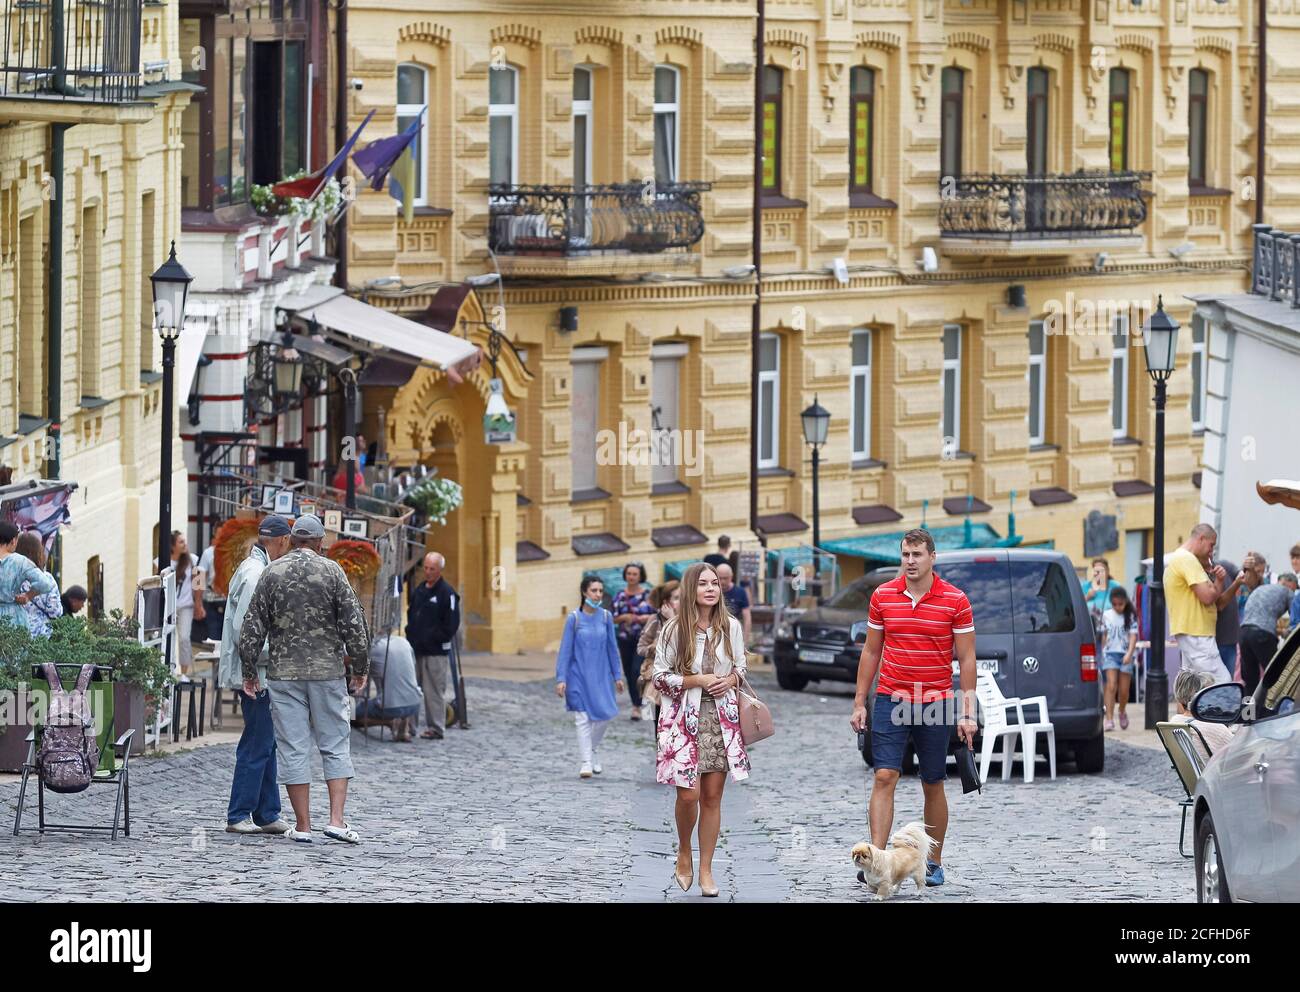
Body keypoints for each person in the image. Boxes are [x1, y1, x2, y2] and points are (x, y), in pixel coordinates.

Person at [849, 528, 977, 889]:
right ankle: (876, 861)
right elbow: (872, 651)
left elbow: (967, 659)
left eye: (917, 554)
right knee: (884, 776)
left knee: (932, 781)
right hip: (891, 698)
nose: (910, 561)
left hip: (935, 702)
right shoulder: (883, 596)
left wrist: (967, 712)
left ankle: (932, 862)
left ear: (932, 557)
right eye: (905, 554)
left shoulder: (955, 600)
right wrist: (860, 701)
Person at [238, 514, 370, 844]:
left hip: (284, 674)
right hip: (327, 672)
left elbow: (251, 631)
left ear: (293, 540)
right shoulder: (333, 572)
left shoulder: (272, 573)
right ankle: (337, 821)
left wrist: (250, 673)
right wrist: (360, 668)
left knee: (293, 748)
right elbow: (355, 626)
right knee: (335, 744)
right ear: (320, 542)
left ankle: (303, 826)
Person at [652, 563, 750, 898]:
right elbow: (659, 677)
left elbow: (741, 666)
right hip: (682, 719)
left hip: (721, 720)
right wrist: (697, 680)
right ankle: (683, 850)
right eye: (703, 584)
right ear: (691, 588)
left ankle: (706, 868)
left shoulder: (730, 626)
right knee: (688, 795)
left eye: (715, 584)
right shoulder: (673, 630)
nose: (711, 589)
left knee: (711, 797)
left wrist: (731, 679)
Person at [217, 515, 292, 836]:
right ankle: (239, 812)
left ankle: (266, 811)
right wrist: (279, 649)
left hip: (259, 673)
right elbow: (245, 634)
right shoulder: (255, 575)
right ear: (281, 541)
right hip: (255, 676)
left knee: (267, 742)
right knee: (258, 743)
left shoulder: (258, 570)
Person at [556, 575, 625, 779]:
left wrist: (617, 675)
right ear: (584, 592)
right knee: (582, 718)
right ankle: (586, 761)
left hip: (601, 676)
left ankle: (592, 750)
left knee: (604, 716)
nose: (598, 594)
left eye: (600, 591)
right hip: (578, 676)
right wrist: (561, 679)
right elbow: (565, 651)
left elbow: (613, 648)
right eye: (594, 590)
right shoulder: (574, 619)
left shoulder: (605, 617)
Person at [1163, 524, 1244, 685]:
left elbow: (1214, 599)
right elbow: (1208, 597)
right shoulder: (1187, 559)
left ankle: (1193, 711)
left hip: (1192, 630)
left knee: (1192, 687)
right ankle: (1217, 711)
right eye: (1211, 544)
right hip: (1196, 632)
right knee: (1222, 682)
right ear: (1201, 539)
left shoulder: (1181, 559)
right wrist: (1220, 582)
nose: (1211, 551)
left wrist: (1219, 581)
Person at [407, 551, 461, 740]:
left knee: (434, 691)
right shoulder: (421, 589)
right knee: (412, 688)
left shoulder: (447, 593)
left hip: (436, 652)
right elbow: (412, 614)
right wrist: (410, 634)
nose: (428, 572)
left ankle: (436, 727)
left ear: (439, 570)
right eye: (426, 568)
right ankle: (410, 726)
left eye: (432, 569)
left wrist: (433, 638)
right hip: (417, 649)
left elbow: (451, 625)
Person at [355, 631, 424, 742]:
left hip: (390, 707)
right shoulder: (404, 642)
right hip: (414, 704)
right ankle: (403, 730)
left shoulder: (373, 649)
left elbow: (358, 678)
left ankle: (389, 723)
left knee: (351, 715)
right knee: (401, 687)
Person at [1240, 555, 1293, 695]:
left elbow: (1259, 615)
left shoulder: (1262, 589)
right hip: (1262, 634)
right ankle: (1274, 712)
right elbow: (1295, 621)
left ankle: (1248, 713)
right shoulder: (1288, 592)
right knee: (1276, 677)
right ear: (1290, 584)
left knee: (1250, 681)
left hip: (1244, 633)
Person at [611, 562, 655, 721]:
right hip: (625, 639)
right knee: (629, 673)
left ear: (640, 576)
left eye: (634, 574)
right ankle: (636, 705)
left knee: (638, 670)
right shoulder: (619, 596)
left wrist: (645, 618)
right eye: (629, 573)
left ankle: (644, 701)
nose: (631, 577)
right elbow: (613, 618)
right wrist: (624, 618)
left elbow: (657, 616)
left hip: (643, 640)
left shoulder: (648, 595)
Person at [637, 580, 680, 726]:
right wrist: (653, 648)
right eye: (676, 598)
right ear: (665, 602)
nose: (681, 602)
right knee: (660, 727)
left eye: (683, 597)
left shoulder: (689, 620)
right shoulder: (655, 620)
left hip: (682, 681)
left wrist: (672, 620)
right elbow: (640, 648)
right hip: (659, 683)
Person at [0, 521, 56, 633]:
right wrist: (28, 595)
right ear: (13, 540)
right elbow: (45, 583)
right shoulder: (20, 562)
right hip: (12, 617)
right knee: (14, 649)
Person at [1173, 669, 1235, 765]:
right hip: (1218, 777)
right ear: (1200, 697)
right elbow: (1240, 752)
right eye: (1211, 694)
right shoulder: (1215, 728)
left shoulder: (1174, 722)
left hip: (1194, 777)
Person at [163, 531, 202, 678]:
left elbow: (199, 583)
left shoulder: (193, 560)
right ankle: (168, 671)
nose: (185, 544)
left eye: (184, 541)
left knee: (184, 638)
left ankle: (184, 673)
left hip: (186, 606)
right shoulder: (161, 561)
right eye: (180, 542)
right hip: (168, 607)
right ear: (172, 546)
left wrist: (199, 604)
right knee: (168, 638)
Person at [1100, 586, 1139, 731]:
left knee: (1124, 690)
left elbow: (1133, 636)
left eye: (1120, 604)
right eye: (1115, 604)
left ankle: (1122, 711)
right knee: (1111, 686)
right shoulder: (1106, 615)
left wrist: (1129, 654)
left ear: (1125, 602)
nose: (1118, 607)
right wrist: (1103, 653)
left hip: (1125, 654)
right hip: (1110, 654)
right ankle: (1109, 719)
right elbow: (1104, 635)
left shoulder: (1131, 615)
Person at [15, 532, 61, 638]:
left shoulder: (9, 575)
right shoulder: (47, 578)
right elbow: (56, 612)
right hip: (41, 639)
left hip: (13, 636)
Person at [1212, 557, 1242, 678]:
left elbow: (1243, 576)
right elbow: (1219, 605)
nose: (1211, 549)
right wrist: (1237, 583)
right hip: (1213, 640)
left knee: (1227, 681)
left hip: (1230, 639)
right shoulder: (1200, 573)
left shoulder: (1224, 565)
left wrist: (1247, 568)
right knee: (1216, 684)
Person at [197, 524, 227, 642]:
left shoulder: (235, 552)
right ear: (215, 535)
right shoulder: (208, 553)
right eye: (220, 534)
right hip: (212, 601)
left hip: (229, 602)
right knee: (213, 640)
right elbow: (198, 578)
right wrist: (198, 603)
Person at [1081, 558, 1122, 644]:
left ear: (1107, 571)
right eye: (1096, 569)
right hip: (1090, 633)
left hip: (1110, 634)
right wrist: (1087, 597)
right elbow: (1076, 608)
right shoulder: (1085, 587)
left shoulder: (1115, 586)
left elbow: (1123, 607)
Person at [716, 562, 752, 645]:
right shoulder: (712, 592)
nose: (722, 581)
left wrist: (745, 641)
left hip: (733, 632)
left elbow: (747, 617)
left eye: (725, 578)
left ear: (731, 577)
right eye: (720, 578)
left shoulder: (740, 592)